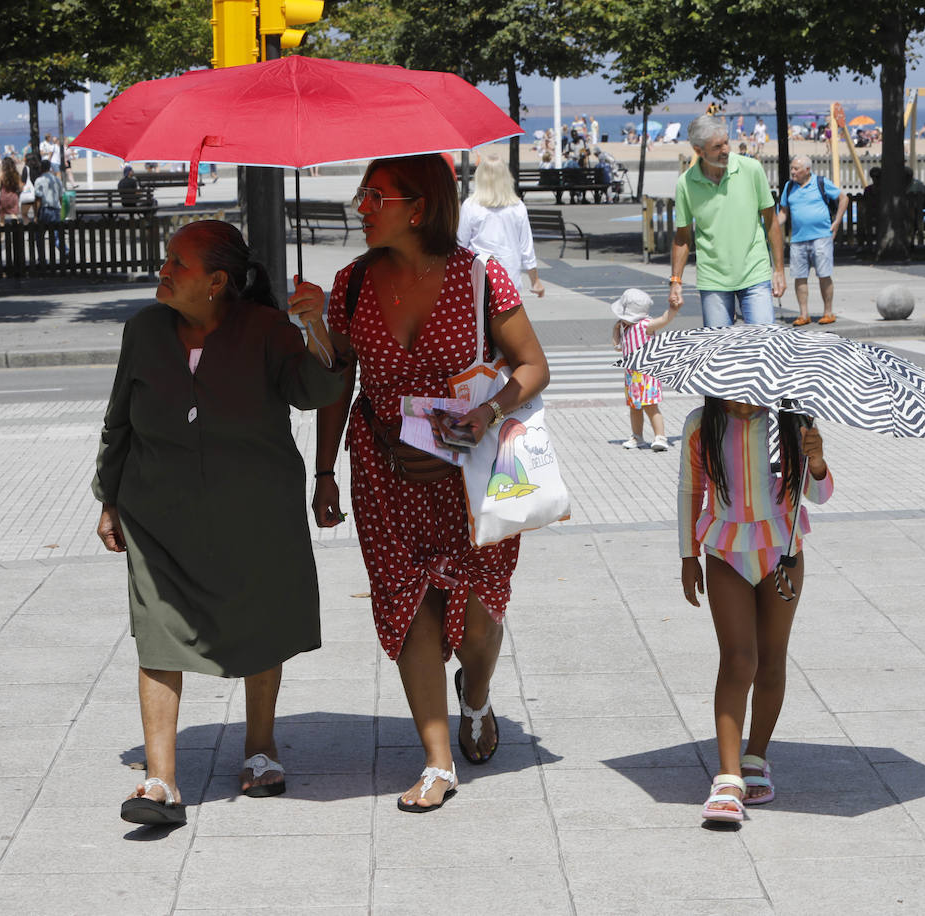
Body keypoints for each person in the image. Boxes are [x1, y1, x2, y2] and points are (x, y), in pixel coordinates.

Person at [301, 154, 550, 813]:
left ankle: (477, 695)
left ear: (417, 206)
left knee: (473, 622)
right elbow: (340, 382)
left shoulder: (479, 276)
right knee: (410, 607)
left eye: (373, 196)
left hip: (469, 474)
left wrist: (486, 413)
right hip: (384, 472)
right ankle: (437, 762)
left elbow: (531, 366)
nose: (360, 207)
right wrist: (324, 469)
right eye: (361, 195)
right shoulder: (351, 283)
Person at [94, 219, 345, 827]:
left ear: (215, 282)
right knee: (157, 633)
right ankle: (160, 782)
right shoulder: (144, 329)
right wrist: (109, 496)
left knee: (259, 622)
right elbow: (119, 419)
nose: (163, 272)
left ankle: (261, 749)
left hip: (255, 510)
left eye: (175, 264)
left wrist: (317, 326)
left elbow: (317, 390)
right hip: (157, 512)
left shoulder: (267, 330)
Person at [679, 397, 832, 822]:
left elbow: (817, 494)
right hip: (725, 552)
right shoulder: (700, 424)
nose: (743, 400)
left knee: (770, 657)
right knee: (737, 659)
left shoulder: (793, 421)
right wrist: (688, 556)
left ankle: (755, 758)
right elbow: (691, 489)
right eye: (732, 390)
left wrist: (816, 460)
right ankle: (727, 777)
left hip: (782, 553)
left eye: (752, 390)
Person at [669, 115, 785, 328]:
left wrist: (778, 269)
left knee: (763, 346)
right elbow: (682, 238)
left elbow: (771, 221)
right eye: (717, 147)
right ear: (698, 151)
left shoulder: (751, 169)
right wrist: (676, 280)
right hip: (713, 278)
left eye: (726, 142)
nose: (725, 150)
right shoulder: (685, 184)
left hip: (754, 272)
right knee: (718, 352)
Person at [457, 155, 545, 300]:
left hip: (479, 275)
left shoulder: (471, 206)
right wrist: (535, 280)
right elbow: (526, 248)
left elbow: (461, 245)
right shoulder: (517, 207)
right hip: (509, 276)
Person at [778, 155, 845, 327]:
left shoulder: (820, 182)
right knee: (799, 277)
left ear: (807, 170)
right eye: (792, 168)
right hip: (798, 238)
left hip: (821, 236)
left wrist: (837, 222)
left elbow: (843, 198)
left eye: (796, 169)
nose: (793, 172)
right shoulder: (789, 186)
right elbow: (784, 211)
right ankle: (803, 314)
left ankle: (828, 312)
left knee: (824, 274)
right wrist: (774, 226)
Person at [611, 288, 681, 451]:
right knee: (634, 407)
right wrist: (616, 330)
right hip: (632, 376)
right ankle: (637, 436)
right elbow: (617, 347)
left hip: (647, 375)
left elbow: (663, 320)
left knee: (651, 406)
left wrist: (672, 310)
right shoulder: (626, 328)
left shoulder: (645, 325)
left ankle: (660, 437)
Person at [0, 157, 22, 226]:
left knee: (2, 218)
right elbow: (20, 187)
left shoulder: (1, 174)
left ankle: (1, 236)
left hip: (3, 196)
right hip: (13, 196)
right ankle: (17, 234)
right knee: (14, 216)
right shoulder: (16, 174)